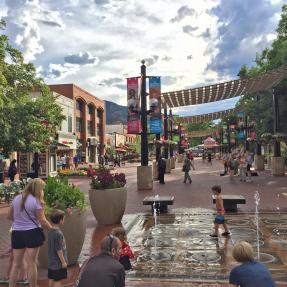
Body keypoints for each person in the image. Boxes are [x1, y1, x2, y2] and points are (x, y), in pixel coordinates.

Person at [7, 178, 52, 287]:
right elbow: (42, 220)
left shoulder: (17, 198)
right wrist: (52, 229)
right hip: (32, 233)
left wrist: (19, 221)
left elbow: (9, 216)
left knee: (16, 264)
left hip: (17, 233)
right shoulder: (36, 201)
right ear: (38, 189)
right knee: (32, 263)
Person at [48, 209, 68, 287]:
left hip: (51, 262)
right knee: (57, 280)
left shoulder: (50, 231)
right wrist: (63, 262)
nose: (64, 220)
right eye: (63, 219)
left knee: (51, 278)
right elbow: (59, 250)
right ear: (60, 221)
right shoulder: (58, 234)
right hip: (58, 263)